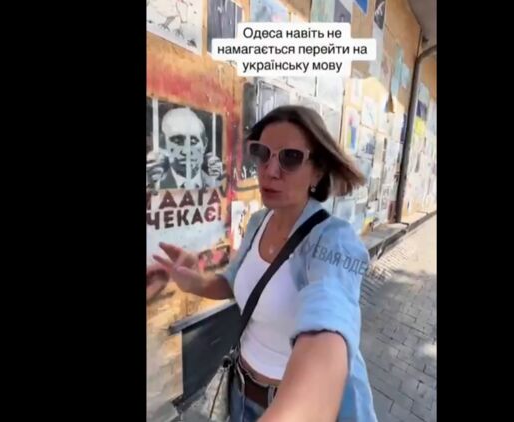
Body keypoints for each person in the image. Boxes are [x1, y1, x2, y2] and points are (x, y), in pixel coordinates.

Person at [147, 105, 378, 421]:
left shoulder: (333, 240)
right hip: (240, 391)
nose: (270, 170)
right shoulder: (259, 221)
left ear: (318, 170)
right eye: (262, 154)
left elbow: (329, 326)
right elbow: (234, 282)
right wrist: (195, 281)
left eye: (290, 158)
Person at [155, 107, 224, 190]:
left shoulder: (219, 185)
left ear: (204, 145)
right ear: (163, 144)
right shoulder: (155, 186)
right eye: (177, 141)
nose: (186, 151)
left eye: (193, 141)